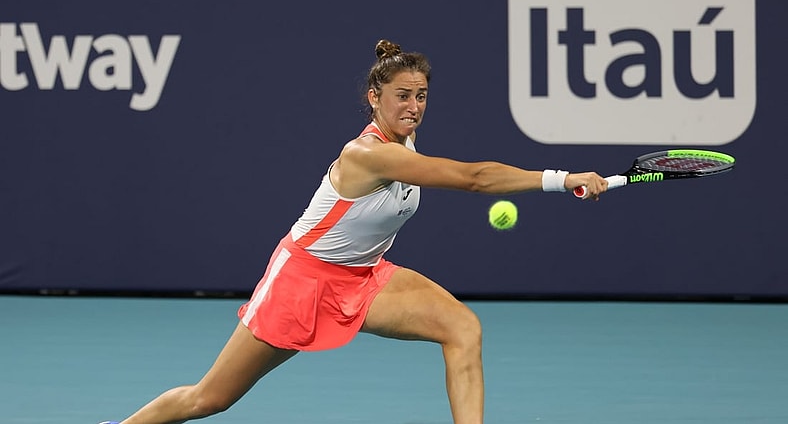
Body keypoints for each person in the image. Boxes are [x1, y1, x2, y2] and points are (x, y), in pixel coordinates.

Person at [99, 39, 608, 424]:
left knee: (463, 329)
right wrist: (563, 180)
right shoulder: (366, 153)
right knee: (209, 399)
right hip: (302, 281)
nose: (413, 107)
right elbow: (474, 179)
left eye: (422, 96)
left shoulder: (405, 136)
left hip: (363, 277)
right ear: (374, 98)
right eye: (402, 96)